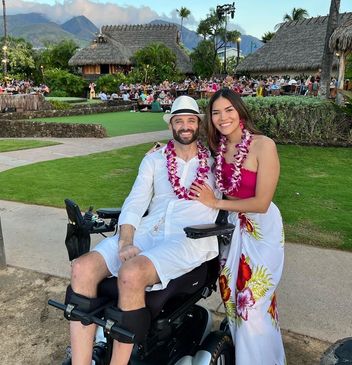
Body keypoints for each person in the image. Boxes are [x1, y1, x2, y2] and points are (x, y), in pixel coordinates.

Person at [68, 95, 220, 365]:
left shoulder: (216, 165)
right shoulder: (154, 159)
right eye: (178, 121)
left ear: (199, 124)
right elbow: (136, 202)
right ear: (170, 125)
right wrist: (126, 240)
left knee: (131, 272)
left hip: (188, 239)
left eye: (190, 120)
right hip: (148, 232)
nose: (184, 126)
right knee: (82, 268)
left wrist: (215, 202)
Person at [190, 88, 286, 364]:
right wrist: (161, 150)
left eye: (228, 110)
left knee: (253, 305)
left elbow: (262, 203)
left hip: (261, 229)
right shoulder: (217, 149)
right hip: (231, 229)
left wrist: (216, 203)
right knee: (232, 301)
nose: (223, 117)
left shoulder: (262, 145)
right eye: (216, 112)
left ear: (240, 110)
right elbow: (185, 152)